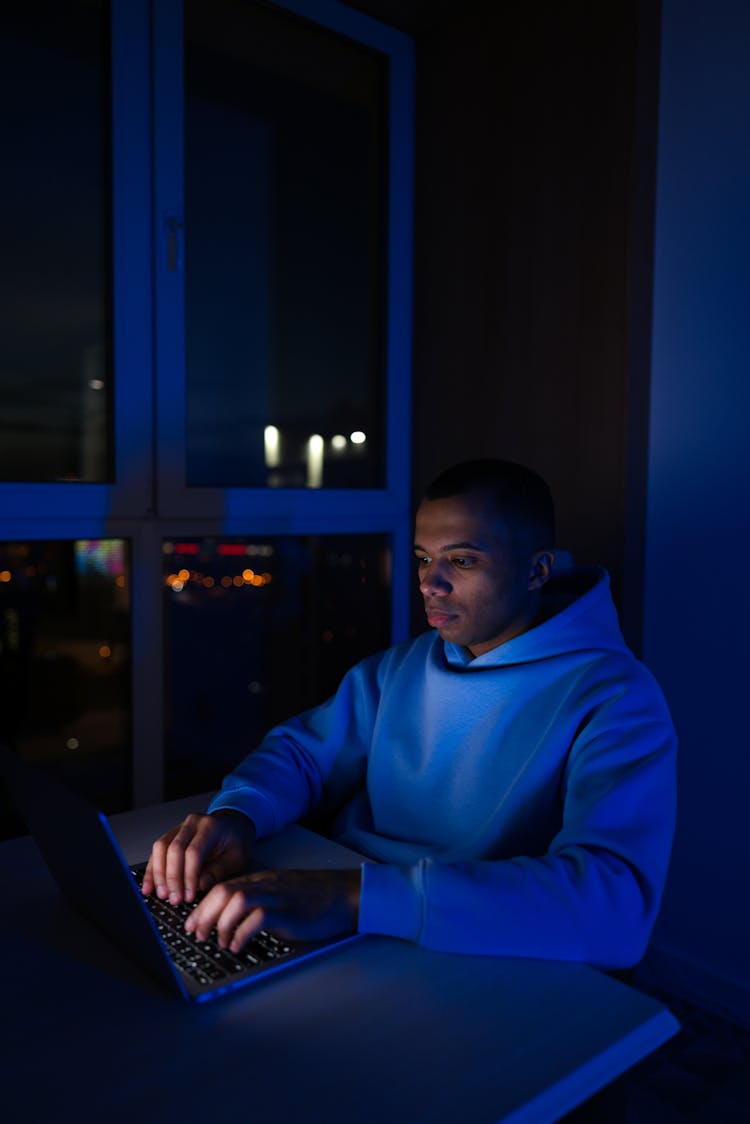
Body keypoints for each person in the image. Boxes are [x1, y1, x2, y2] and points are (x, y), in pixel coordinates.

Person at [143, 459, 677, 969]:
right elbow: (302, 753)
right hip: (344, 905)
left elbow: (615, 904)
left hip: (467, 943)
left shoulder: (616, 698)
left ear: (537, 570)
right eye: (424, 558)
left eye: (462, 561)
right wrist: (239, 814)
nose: (429, 583)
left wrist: (355, 897)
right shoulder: (403, 665)